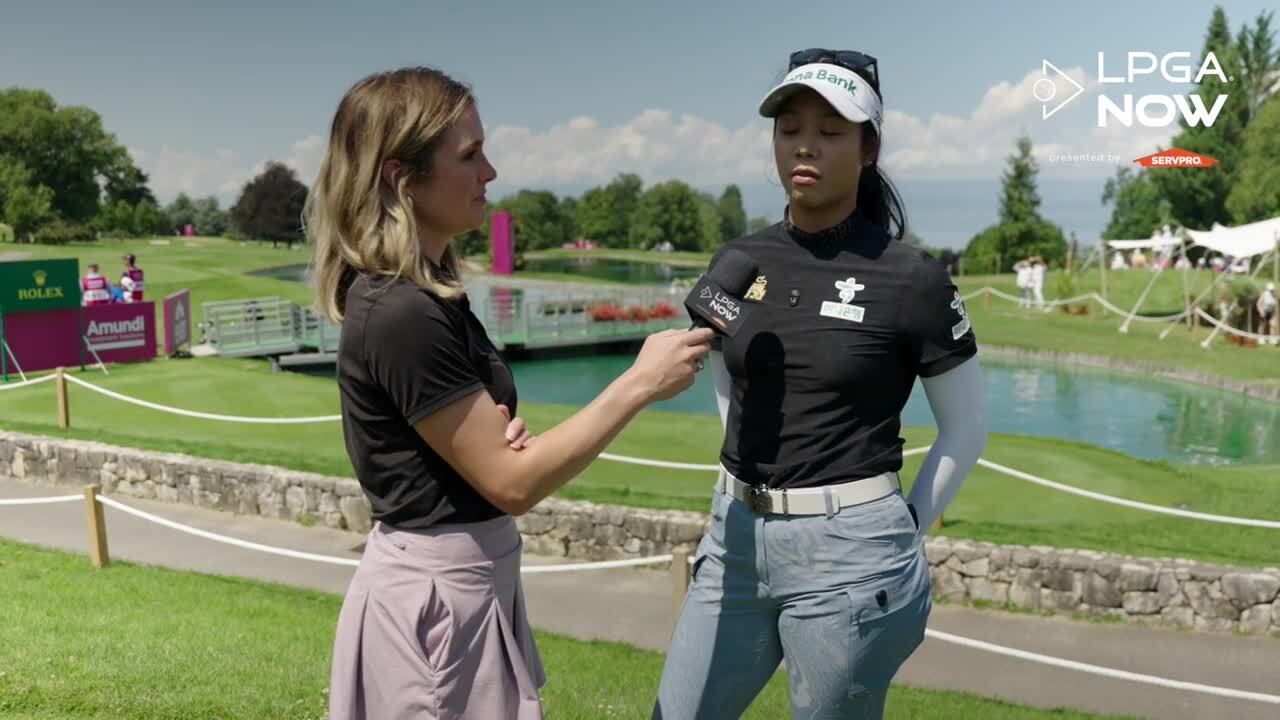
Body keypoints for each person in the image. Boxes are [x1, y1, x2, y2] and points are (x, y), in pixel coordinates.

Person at [304, 66, 714, 720]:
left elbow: (484, 460)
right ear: (398, 176)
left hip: (464, 582)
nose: (490, 172)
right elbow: (514, 485)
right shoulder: (401, 311)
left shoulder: (431, 292)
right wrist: (638, 384)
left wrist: (493, 448)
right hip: (437, 601)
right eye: (469, 156)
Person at [653, 49, 988, 720]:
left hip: (853, 555)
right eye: (789, 127)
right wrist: (734, 472)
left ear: (868, 148)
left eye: (831, 131)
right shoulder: (739, 261)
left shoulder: (911, 278)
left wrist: (906, 526)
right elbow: (725, 365)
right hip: (734, 540)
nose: (805, 145)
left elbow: (967, 424)